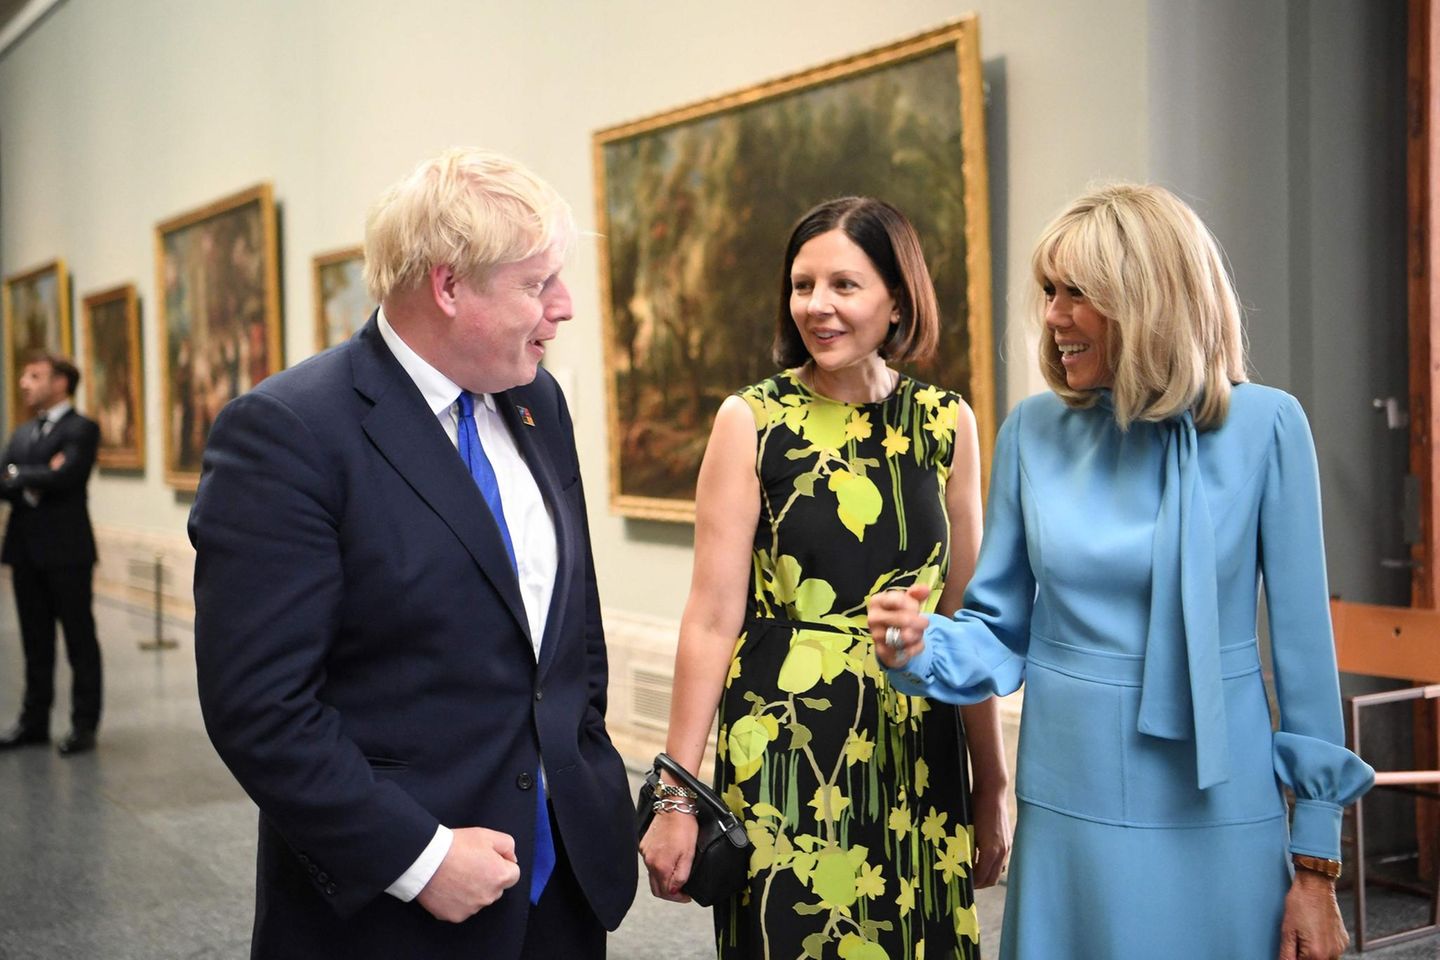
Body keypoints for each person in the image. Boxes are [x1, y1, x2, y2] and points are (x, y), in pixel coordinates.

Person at [870, 183, 1375, 960]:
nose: (1052, 316)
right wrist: (920, 646)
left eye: (1078, 293)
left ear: (1146, 299)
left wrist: (1315, 866)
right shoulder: (1033, 432)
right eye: (1048, 291)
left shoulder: (1269, 427)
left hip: (1221, 802)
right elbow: (1000, 631)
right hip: (1072, 800)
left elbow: (1306, 661)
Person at [190, 148, 636, 960]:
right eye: (539, 285)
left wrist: (593, 778)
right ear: (448, 285)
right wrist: (419, 857)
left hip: (563, 887)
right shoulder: (288, 434)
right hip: (393, 912)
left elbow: (570, 632)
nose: (564, 308)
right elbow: (259, 706)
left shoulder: (538, 401)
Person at [642, 197, 1011, 959]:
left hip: (918, 742)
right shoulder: (752, 419)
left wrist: (991, 784)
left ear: (897, 298)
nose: (818, 306)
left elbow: (969, 619)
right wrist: (675, 795)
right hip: (784, 743)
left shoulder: (947, 422)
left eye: (844, 285)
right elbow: (711, 618)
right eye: (802, 285)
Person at [0, 353, 102, 756]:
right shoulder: (22, 432)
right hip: (25, 550)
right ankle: (34, 720)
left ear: (61, 383)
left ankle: (83, 724)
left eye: (34, 375)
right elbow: (3, 479)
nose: (24, 382)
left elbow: (69, 475)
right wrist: (36, 476)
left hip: (67, 551)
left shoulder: (82, 428)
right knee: (34, 641)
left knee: (79, 640)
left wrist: (19, 475)